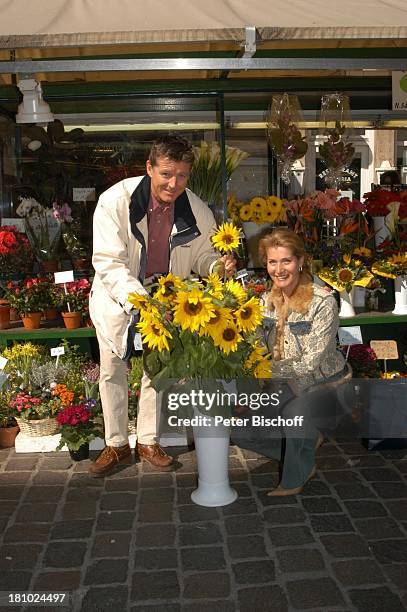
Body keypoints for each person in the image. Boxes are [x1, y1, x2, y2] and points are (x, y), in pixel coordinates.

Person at [88, 134, 236, 477]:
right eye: (167, 173)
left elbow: (204, 256)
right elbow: (109, 262)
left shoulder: (196, 209)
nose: (174, 183)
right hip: (118, 296)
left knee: (158, 371)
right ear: (150, 168)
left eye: (182, 175)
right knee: (112, 369)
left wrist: (217, 267)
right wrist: (139, 301)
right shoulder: (115, 202)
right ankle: (116, 444)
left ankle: (149, 441)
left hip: (168, 300)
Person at [254, 228, 346, 496]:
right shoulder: (265, 301)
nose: (279, 269)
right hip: (281, 380)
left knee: (293, 415)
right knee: (241, 427)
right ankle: (306, 442)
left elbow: (309, 364)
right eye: (273, 262)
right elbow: (257, 344)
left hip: (323, 384)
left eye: (286, 261)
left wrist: (264, 372)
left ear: (300, 261)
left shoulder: (323, 302)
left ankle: (297, 475)